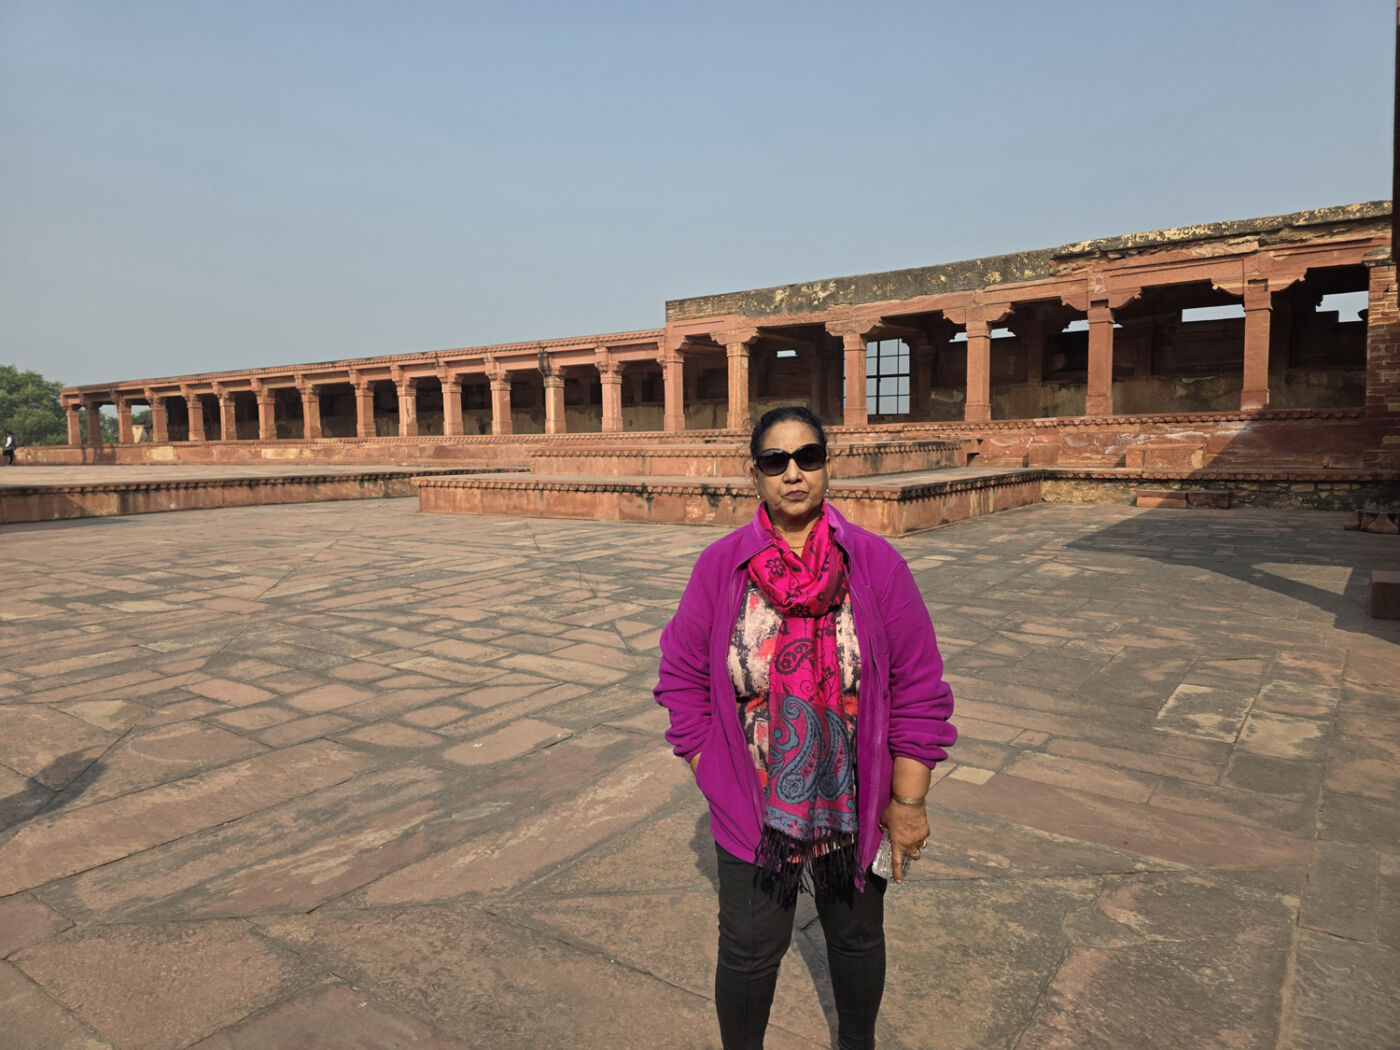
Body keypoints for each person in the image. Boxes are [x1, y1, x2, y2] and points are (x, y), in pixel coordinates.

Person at [655, 405, 956, 1050]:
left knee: (856, 938)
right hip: (752, 802)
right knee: (749, 950)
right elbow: (681, 675)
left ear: (826, 466)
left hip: (853, 799)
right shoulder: (723, 567)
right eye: (775, 461)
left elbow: (918, 687)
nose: (793, 473)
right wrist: (708, 767)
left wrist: (908, 803)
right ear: (756, 476)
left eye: (807, 457)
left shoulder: (873, 563)